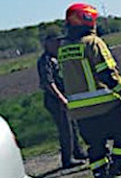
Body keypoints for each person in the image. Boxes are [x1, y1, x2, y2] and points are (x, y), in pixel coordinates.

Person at [58, 3, 121, 178]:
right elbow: (106, 73)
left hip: (79, 110)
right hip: (104, 104)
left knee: (96, 147)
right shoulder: (93, 43)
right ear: (88, 20)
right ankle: (116, 174)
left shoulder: (64, 49)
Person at [36, 34, 87, 168]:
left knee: (73, 125)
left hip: (66, 95)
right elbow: (49, 83)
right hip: (55, 99)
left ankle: (78, 152)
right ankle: (67, 159)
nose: (59, 44)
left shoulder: (58, 57)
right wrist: (61, 98)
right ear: (47, 43)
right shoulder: (45, 60)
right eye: (56, 41)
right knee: (66, 129)